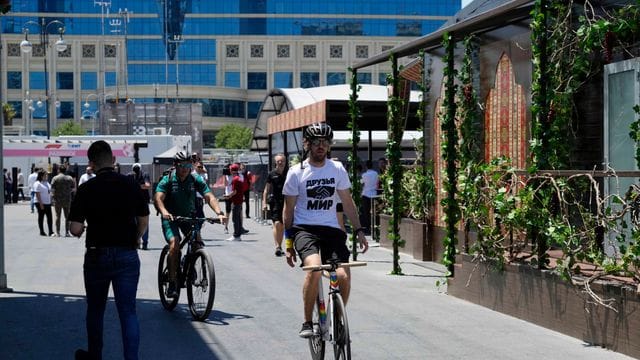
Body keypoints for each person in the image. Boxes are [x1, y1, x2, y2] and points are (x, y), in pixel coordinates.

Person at [282, 122, 368, 338]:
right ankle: (307, 322)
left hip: (331, 230)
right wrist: (289, 242)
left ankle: (338, 318)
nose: (321, 146)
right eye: (316, 142)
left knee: (342, 275)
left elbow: (348, 202)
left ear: (329, 145)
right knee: (314, 267)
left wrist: (358, 230)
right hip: (304, 229)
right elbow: (288, 209)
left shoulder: (337, 169)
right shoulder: (296, 172)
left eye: (325, 142)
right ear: (307, 144)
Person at [69, 140, 150, 360]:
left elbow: (75, 228)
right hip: (126, 254)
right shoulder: (131, 184)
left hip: (96, 255)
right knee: (128, 312)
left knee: (96, 310)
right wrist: (135, 238)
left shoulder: (86, 188)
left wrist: (81, 229)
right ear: (114, 160)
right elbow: (143, 219)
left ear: (91, 164)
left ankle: (95, 355)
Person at [154, 151, 226, 298]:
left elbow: (209, 196)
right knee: (175, 243)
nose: (185, 169)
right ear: (175, 165)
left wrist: (219, 212)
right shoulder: (167, 179)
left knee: (197, 243)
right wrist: (164, 211)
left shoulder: (194, 178)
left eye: (188, 165)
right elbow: (158, 198)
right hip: (171, 218)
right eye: (182, 165)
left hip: (189, 216)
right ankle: (173, 281)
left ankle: (190, 263)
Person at [262, 153, 287, 256]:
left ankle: (280, 245)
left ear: (285, 162)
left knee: (283, 225)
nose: (280, 163)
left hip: (286, 201)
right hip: (275, 201)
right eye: (278, 161)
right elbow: (266, 190)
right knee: (277, 224)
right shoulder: (271, 174)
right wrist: (264, 203)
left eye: (282, 161)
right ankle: (278, 246)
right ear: (275, 162)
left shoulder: (289, 173)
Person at [128, 163, 151, 250]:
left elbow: (147, 185)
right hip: (132, 202)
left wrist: (136, 186)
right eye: (134, 169)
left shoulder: (145, 174)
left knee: (144, 223)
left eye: (137, 169)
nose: (136, 171)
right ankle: (135, 241)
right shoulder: (129, 175)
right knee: (133, 223)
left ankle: (145, 243)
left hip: (143, 202)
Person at [51, 165, 76, 237]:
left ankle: (58, 232)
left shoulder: (55, 178)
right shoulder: (69, 178)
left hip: (57, 200)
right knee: (67, 217)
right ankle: (67, 232)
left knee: (57, 216)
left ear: (59, 170)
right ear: (65, 170)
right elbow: (73, 188)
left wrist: (53, 198)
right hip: (67, 200)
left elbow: (52, 189)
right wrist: (68, 192)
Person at [225, 163, 245, 241]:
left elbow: (234, 191)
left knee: (235, 219)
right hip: (239, 200)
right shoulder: (239, 178)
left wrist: (228, 196)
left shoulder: (235, 179)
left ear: (232, 171)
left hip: (236, 201)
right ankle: (238, 235)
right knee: (238, 219)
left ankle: (236, 235)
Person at [360, 160, 379, 234]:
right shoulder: (376, 173)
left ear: (366, 166)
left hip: (366, 194)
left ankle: (368, 227)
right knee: (374, 212)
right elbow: (377, 183)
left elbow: (361, 183)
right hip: (374, 194)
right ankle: (375, 226)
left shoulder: (364, 175)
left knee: (366, 212)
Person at [33, 169, 53, 236]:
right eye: (45, 175)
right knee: (41, 217)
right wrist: (41, 204)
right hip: (40, 203)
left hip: (48, 202)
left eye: (46, 175)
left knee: (49, 217)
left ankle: (51, 231)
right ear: (41, 176)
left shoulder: (47, 183)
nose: (46, 176)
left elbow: (49, 192)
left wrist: (51, 199)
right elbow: (37, 194)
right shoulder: (37, 183)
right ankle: (42, 231)